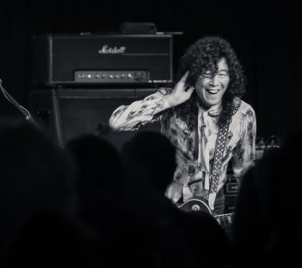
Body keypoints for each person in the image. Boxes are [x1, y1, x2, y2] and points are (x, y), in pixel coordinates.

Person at [109, 36, 256, 215]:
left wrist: (251, 214)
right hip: (170, 202)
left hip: (214, 206)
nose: (214, 82)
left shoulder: (242, 113)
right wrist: (170, 101)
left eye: (222, 74)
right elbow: (117, 122)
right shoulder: (171, 98)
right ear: (192, 75)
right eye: (207, 73)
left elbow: (244, 171)